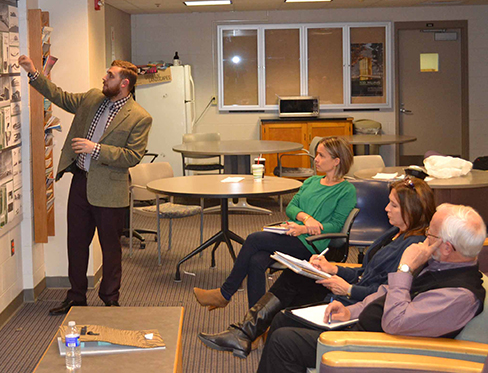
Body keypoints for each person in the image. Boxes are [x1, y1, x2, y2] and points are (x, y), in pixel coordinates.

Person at [198, 177, 435, 358]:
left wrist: (349, 289)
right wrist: (333, 268)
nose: (386, 209)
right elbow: (366, 271)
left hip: (357, 304)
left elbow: (385, 291)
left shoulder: (413, 247)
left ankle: (244, 332)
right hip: (350, 288)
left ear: (410, 210)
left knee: (279, 275)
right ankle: (244, 331)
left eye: (392, 206)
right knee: (293, 275)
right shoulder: (396, 233)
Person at [257, 203, 487, 373]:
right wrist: (352, 311)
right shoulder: (438, 266)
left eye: (430, 234)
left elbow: (395, 322)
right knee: (283, 320)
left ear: (446, 247)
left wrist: (406, 270)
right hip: (366, 327)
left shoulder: (459, 296)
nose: (425, 239)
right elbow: (386, 293)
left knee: (283, 342)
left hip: (379, 348)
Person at [18, 55, 152, 315]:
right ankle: (75, 297)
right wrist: (34, 73)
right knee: (76, 243)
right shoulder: (92, 99)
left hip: (110, 191)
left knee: (111, 248)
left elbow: (132, 156)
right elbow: (61, 96)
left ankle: (110, 299)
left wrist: (96, 149)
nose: (104, 77)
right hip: (81, 183)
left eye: (110, 75)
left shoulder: (139, 117)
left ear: (124, 83)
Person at [193, 137, 356, 310]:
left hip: (311, 244)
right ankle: (255, 322)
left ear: (337, 161)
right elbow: (291, 207)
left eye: (322, 156)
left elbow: (337, 225)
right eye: (316, 154)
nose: (316, 159)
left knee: (254, 239)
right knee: (256, 261)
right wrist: (305, 218)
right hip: (293, 234)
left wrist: (304, 228)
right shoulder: (311, 181)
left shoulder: (346, 190)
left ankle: (224, 294)